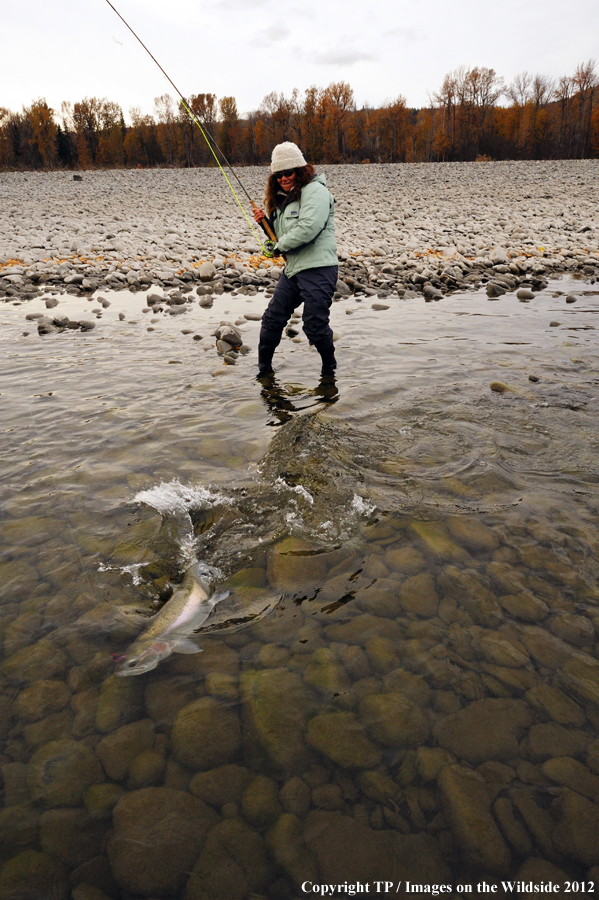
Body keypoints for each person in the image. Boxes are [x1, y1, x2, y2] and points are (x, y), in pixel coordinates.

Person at [253, 142, 338, 378]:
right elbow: (281, 238)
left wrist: (278, 246)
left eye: (287, 172)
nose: (283, 178)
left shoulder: (316, 192)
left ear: (300, 170)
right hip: (294, 270)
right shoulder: (283, 199)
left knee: (314, 325)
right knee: (271, 320)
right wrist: (266, 226)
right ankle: (263, 372)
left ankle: (329, 372)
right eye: (278, 175)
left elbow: (308, 228)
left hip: (319, 268)